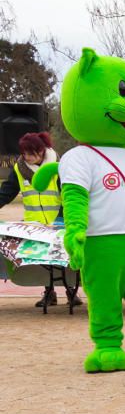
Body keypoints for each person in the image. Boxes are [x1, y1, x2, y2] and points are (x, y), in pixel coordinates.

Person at [0, 131, 80, 308]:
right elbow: (6, 193)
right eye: (24, 153)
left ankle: (71, 292)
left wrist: (61, 218)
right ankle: (49, 293)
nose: (26, 157)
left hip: (60, 223)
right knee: (44, 262)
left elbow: (68, 196)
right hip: (34, 225)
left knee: (65, 259)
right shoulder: (19, 170)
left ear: (42, 151)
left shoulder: (59, 168)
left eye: (30, 153)